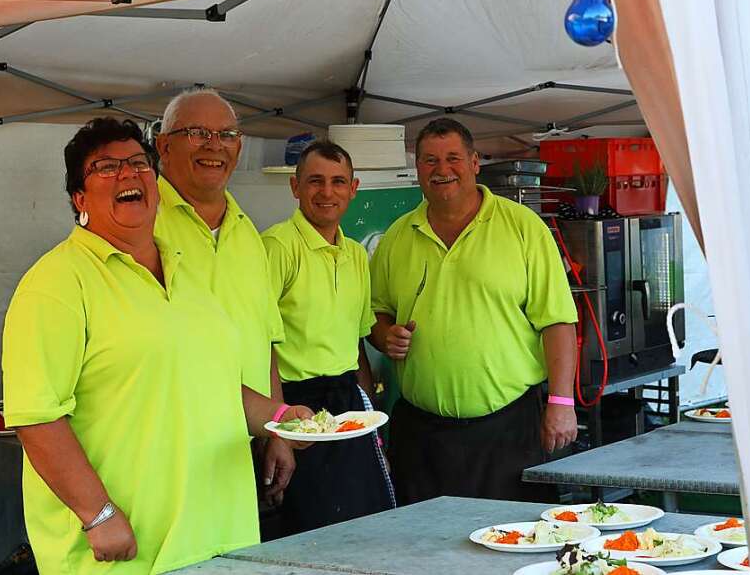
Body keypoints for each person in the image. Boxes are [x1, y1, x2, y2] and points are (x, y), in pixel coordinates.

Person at [2, 117, 313, 574]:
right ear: (79, 199)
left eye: (138, 164)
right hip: (129, 547)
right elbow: (36, 416)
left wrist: (283, 420)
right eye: (106, 167)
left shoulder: (186, 273)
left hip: (220, 532)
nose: (128, 174)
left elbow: (214, 386)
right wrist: (97, 513)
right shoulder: (56, 283)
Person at [369, 118, 578, 505]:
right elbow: (376, 314)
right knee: (424, 552)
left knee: (513, 543)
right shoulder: (397, 236)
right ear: (417, 168)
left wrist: (562, 403)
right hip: (422, 434)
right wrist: (384, 335)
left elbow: (558, 321)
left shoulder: (523, 227)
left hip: (508, 427)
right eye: (429, 161)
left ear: (475, 162)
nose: (442, 170)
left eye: (453, 158)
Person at [153, 88, 295, 502]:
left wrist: (279, 429)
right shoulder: (142, 227)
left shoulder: (248, 233)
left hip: (242, 444)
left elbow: (265, 339)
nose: (214, 146)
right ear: (163, 145)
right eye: (197, 133)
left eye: (227, 135)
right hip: (173, 446)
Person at [261, 140, 395, 534]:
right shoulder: (276, 246)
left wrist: (371, 426)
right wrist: (277, 432)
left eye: (338, 182)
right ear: (295, 186)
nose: (327, 192)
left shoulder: (355, 253)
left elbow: (356, 346)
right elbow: (259, 342)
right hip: (294, 406)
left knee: (369, 523)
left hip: (348, 401)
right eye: (315, 181)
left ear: (353, 189)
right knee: (315, 530)